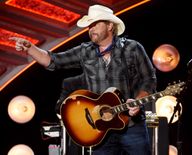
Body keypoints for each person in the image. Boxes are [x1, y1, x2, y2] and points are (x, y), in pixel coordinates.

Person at [10, 4, 157, 155]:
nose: (91, 29)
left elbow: (149, 78)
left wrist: (138, 101)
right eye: (89, 25)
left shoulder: (132, 48)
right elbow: (53, 60)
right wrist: (30, 48)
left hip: (132, 126)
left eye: (95, 24)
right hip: (100, 129)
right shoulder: (85, 51)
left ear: (110, 25)